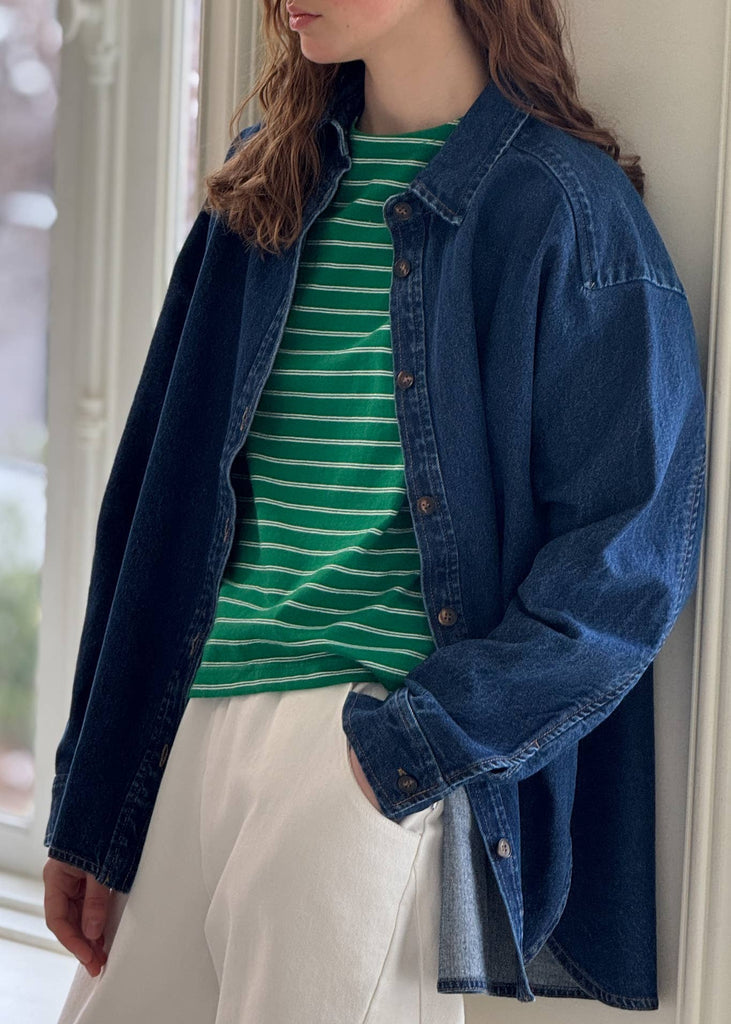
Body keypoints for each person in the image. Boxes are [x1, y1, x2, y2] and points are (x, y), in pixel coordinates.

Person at [43, 0, 706, 1020]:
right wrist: (92, 796)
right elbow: (149, 503)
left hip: (356, 752)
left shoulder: (563, 213)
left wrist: (402, 750)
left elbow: (622, 572)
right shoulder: (265, 181)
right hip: (187, 728)